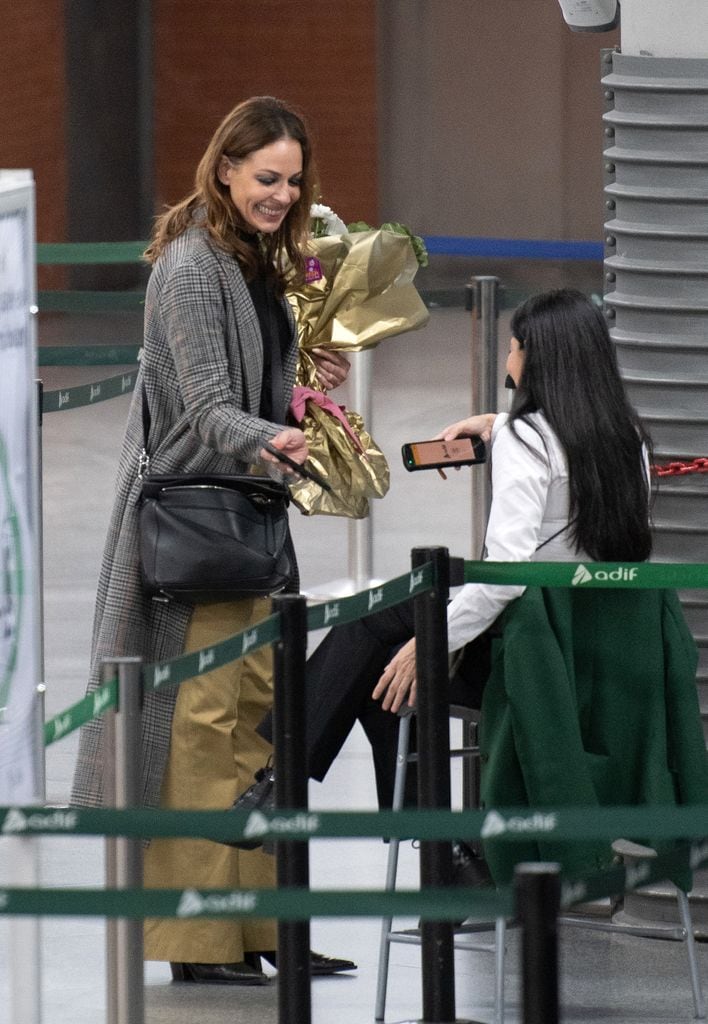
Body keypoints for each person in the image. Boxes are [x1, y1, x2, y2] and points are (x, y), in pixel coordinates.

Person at [71, 96, 356, 984]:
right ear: (224, 170)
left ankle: (264, 926)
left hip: (246, 519)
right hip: (202, 528)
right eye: (266, 177)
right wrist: (271, 437)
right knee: (200, 730)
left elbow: (245, 387)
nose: (281, 193)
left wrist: (305, 385)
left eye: (293, 179)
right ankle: (198, 942)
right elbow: (201, 408)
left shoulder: (255, 262)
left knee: (259, 729)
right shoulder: (193, 267)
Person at [232, 287, 654, 842]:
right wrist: (496, 425)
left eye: (512, 349)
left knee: (372, 634)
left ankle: (296, 787)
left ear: (536, 359)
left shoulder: (527, 442)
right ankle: (438, 848)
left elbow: (506, 576)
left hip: (531, 659)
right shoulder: (629, 439)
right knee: (380, 665)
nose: (507, 362)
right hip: (595, 651)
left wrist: (432, 641)